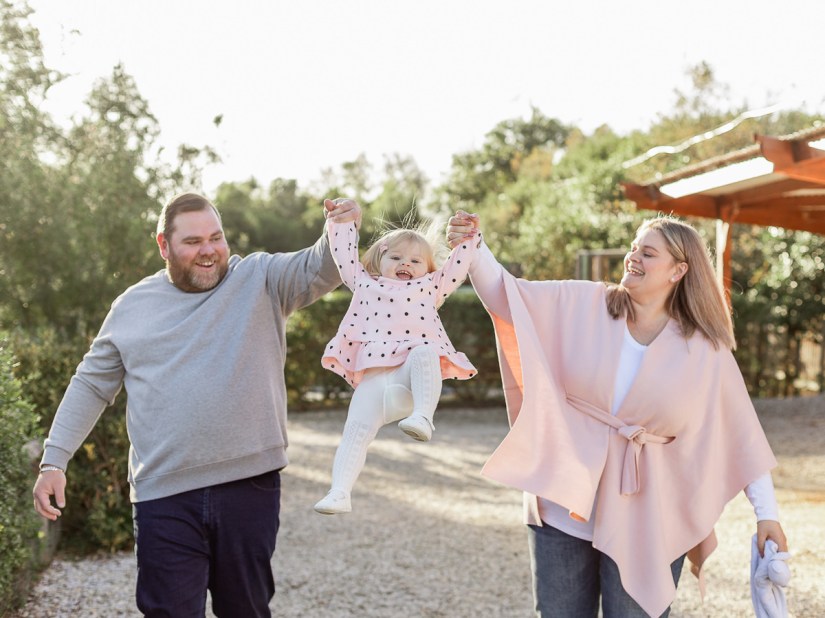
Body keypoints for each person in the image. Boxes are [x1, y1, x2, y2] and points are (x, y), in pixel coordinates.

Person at [32, 192, 361, 617]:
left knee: (246, 609)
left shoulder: (260, 278)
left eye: (216, 237)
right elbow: (91, 386)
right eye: (192, 241)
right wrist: (54, 460)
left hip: (249, 486)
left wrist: (342, 227)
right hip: (163, 495)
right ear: (163, 246)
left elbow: (321, 266)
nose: (208, 250)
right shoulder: (132, 307)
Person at [446, 211, 788, 618]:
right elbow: (509, 295)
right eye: (632, 248)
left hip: (649, 514)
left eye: (647, 252)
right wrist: (475, 247)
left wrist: (767, 515)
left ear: (678, 270)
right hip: (564, 503)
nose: (633, 257)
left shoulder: (705, 350)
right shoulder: (587, 303)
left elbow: (742, 436)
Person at [313, 216, 479, 514]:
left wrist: (468, 239)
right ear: (380, 260)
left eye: (416, 260)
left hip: (408, 383)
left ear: (428, 269)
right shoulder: (364, 283)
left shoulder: (430, 287)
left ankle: (423, 418)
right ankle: (339, 492)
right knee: (354, 432)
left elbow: (456, 269)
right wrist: (341, 223)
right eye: (396, 257)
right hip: (373, 386)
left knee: (424, 352)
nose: (406, 264)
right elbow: (344, 257)